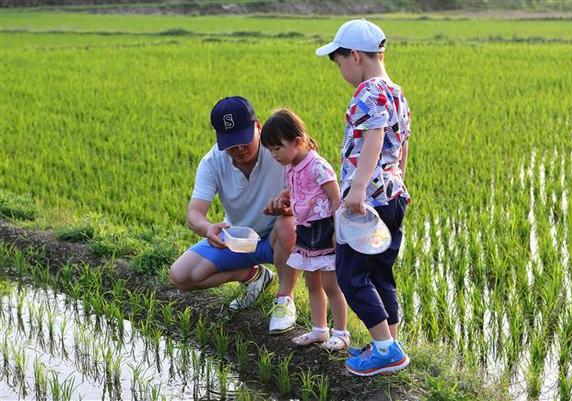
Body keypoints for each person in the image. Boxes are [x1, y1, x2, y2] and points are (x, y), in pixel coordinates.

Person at [316, 19, 412, 375]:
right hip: (392, 195)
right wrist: (399, 184)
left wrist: (357, 191)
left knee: (350, 275)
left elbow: (373, 138)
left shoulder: (368, 93)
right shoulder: (396, 92)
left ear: (354, 55)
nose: (340, 69)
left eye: (339, 62)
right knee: (380, 272)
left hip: (367, 201)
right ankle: (387, 342)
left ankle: (386, 351)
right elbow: (402, 147)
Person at [169, 96, 298, 334]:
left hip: (278, 238)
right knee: (181, 275)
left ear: (257, 126)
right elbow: (194, 214)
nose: (238, 150)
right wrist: (208, 229)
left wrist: (290, 204)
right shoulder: (212, 162)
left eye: (243, 140)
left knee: (288, 224)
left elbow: (311, 185)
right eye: (230, 144)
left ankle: (284, 299)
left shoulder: (280, 151)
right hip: (239, 239)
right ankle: (255, 277)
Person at [260, 108, 350, 351]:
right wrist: (282, 196)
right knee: (313, 284)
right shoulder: (291, 167)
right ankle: (319, 330)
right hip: (306, 230)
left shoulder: (318, 166)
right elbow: (297, 191)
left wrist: (337, 230)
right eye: (270, 150)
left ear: (297, 142)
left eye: (277, 148)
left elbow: (335, 198)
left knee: (332, 285)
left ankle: (341, 333)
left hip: (325, 229)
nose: (274, 155)